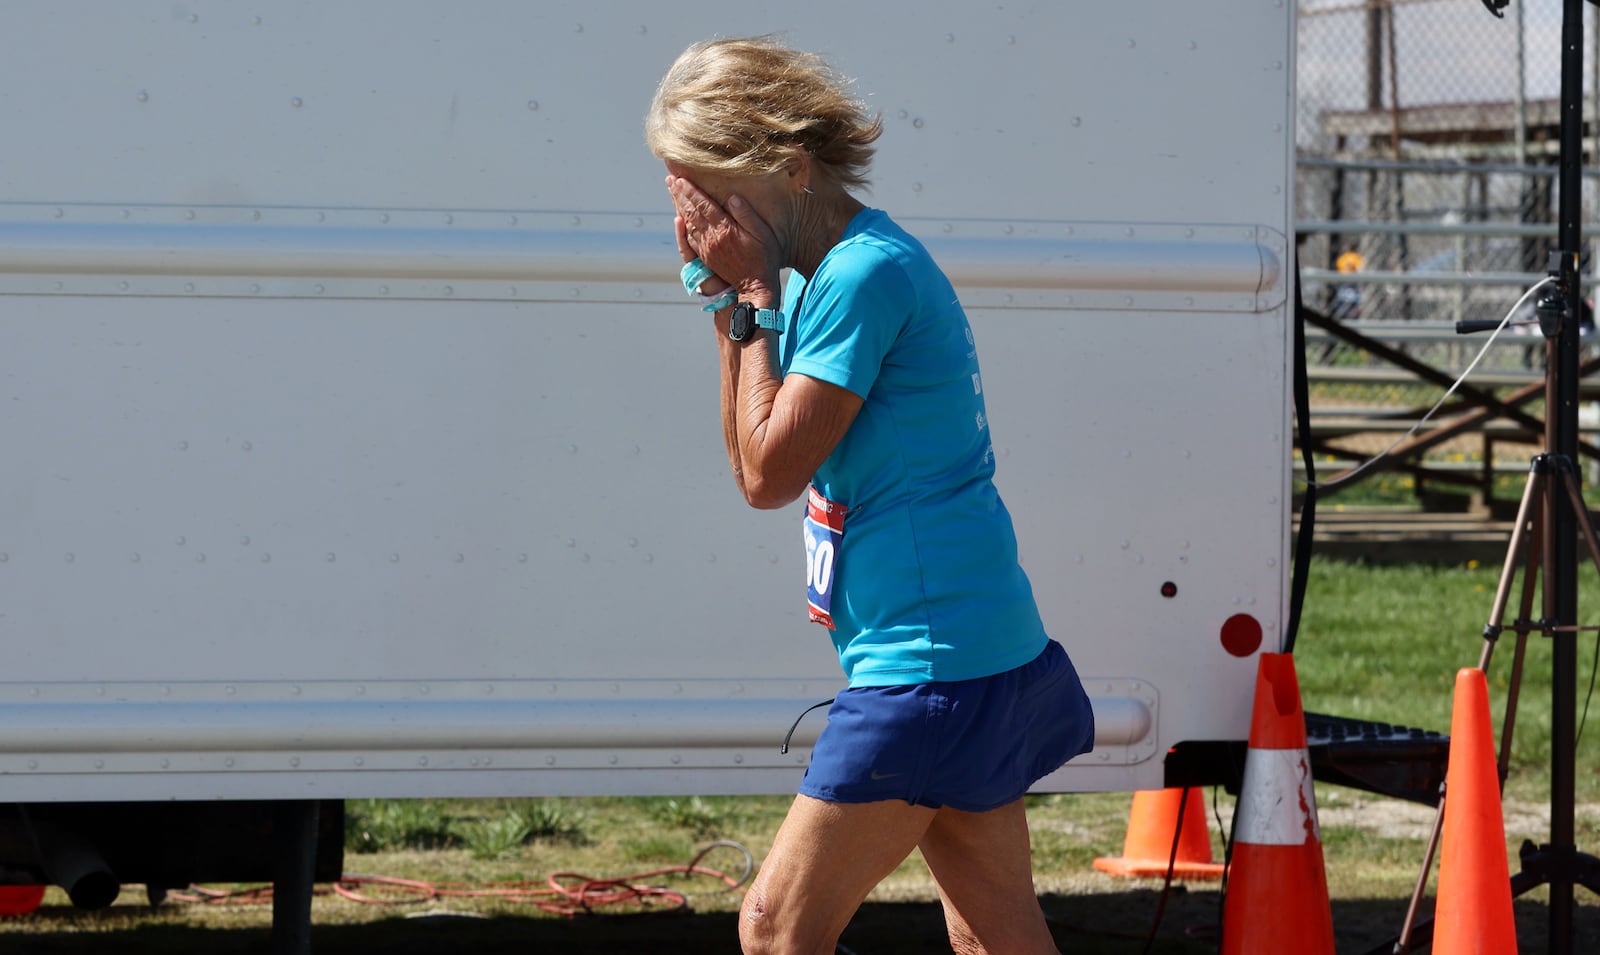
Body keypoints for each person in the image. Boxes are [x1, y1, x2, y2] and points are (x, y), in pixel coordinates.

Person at [645, 36, 1096, 955]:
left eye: (714, 195)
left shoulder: (862, 275)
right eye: (685, 198)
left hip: (926, 671)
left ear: (792, 168)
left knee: (774, 930)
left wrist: (754, 297)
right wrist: (737, 309)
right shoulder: (835, 273)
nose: (699, 222)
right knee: (994, 937)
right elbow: (752, 469)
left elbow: (770, 474)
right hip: (965, 653)